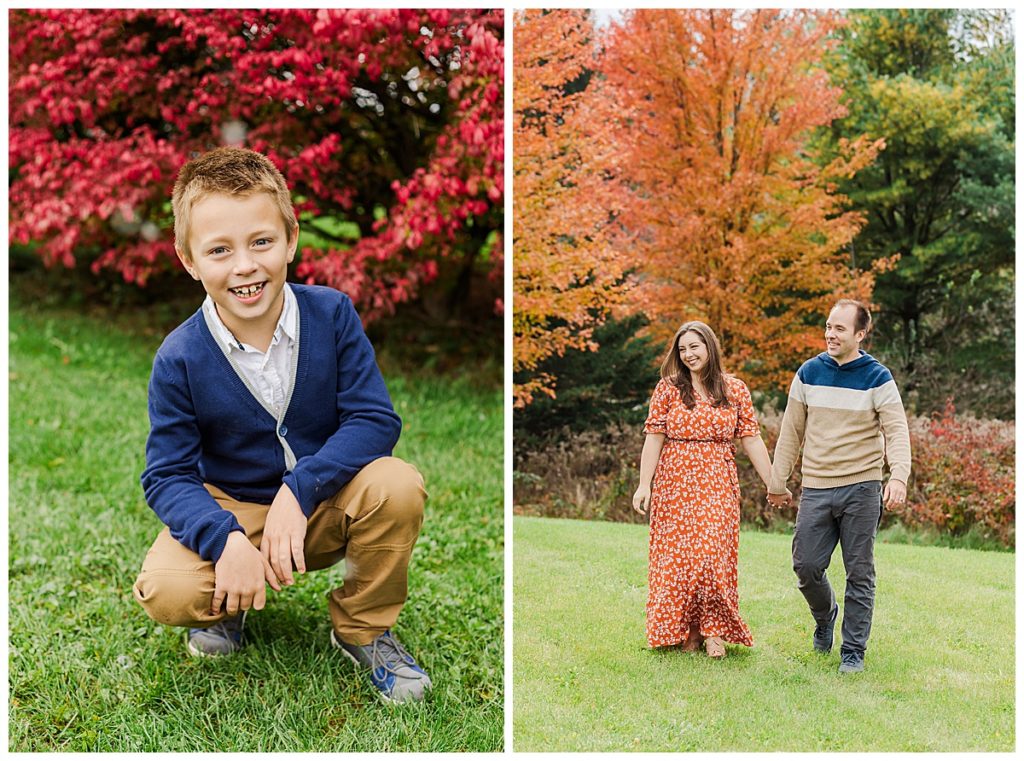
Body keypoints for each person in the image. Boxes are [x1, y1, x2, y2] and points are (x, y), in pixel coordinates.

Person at [132, 146, 432, 703]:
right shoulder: (179, 357)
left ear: (291, 239)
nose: (244, 265)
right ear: (188, 260)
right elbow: (166, 475)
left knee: (397, 484)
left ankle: (364, 628)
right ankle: (226, 607)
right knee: (167, 589)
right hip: (235, 511)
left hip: (324, 503)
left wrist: (301, 490)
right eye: (219, 250)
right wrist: (223, 539)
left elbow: (373, 418)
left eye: (261, 242)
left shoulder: (332, 313)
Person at [767, 299, 910, 675]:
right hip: (816, 486)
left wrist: (898, 476)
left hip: (862, 486)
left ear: (860, 334)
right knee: (806, 565)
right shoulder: (808, 372)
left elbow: (896, 430)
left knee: (859, 571)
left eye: (840, 328)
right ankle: (825, 613)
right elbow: (791, 432)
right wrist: (777, 481)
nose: (830, 334)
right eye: (828, 326)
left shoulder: (877, 377)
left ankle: (853, 651)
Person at [632, 321, 776, 658]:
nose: (688, 354)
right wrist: (644, 485)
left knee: (711, 555)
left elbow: (751, 439)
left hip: (717, 479)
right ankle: (689, 631)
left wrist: (773, 482)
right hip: (675, 480)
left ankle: (714, 631)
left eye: (695, 347)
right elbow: (654, 437)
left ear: (710, 347)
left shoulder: (735, 389)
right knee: (680, 559)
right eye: (683, 349)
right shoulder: (668, 389)